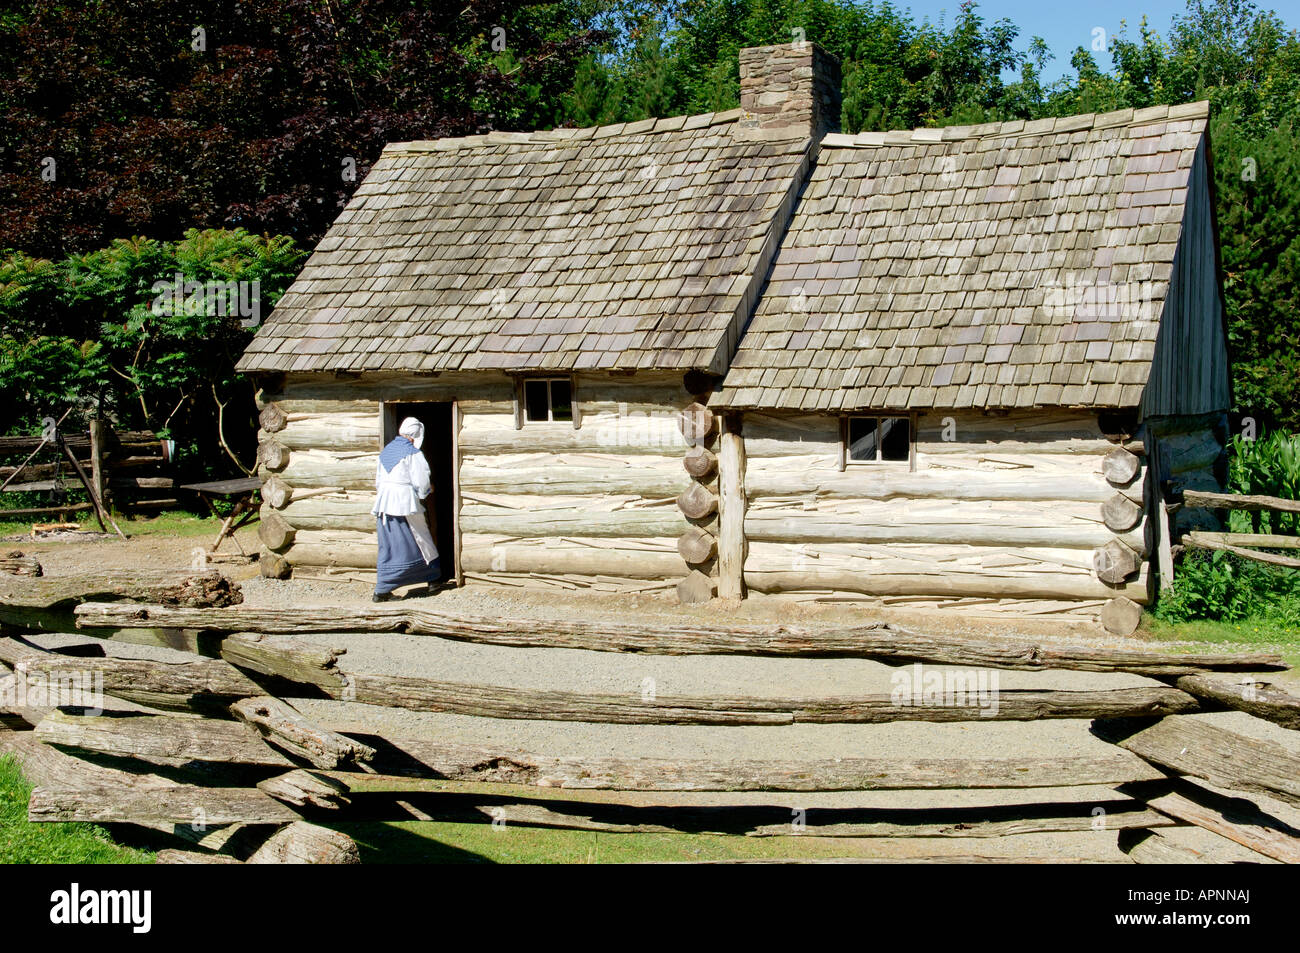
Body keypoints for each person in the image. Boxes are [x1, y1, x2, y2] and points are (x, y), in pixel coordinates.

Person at [371, 417, 439, 601]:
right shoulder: (413, 454)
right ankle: (432, 578)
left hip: (385, 504)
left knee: (390, 545)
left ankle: (383, 588)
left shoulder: (386, 452)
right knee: (421, 538)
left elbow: (378, 480)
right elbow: (421, 479)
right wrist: (425, 492)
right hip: (405, 504)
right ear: (416, 435)